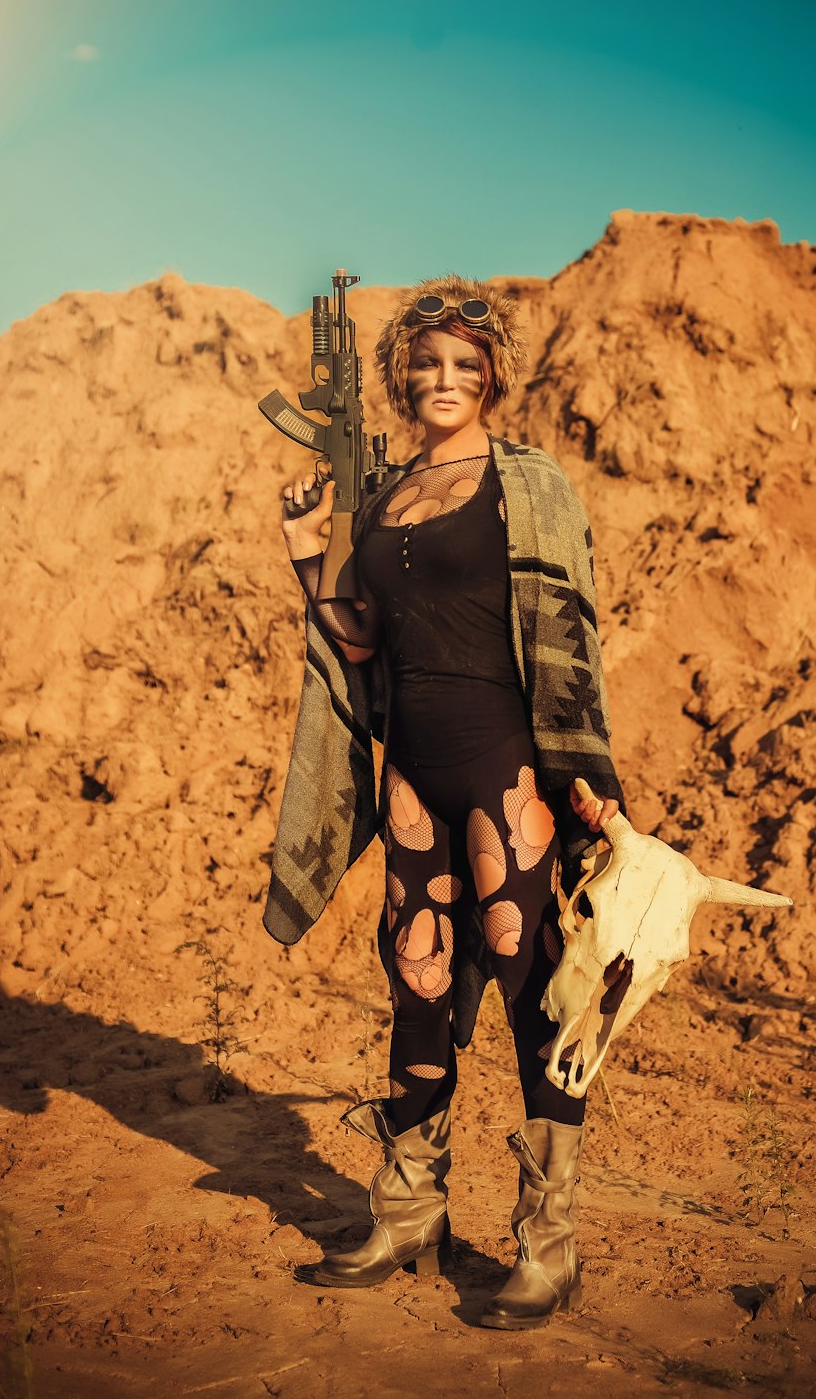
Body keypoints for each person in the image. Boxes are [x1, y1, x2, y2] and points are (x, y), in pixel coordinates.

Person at [265, 274, 623, 1329]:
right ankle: (408, 1211)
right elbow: (362, 643)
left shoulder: (530, 484)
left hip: (505, 762)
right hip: (412, 768)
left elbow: (569, 638)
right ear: (400, 375)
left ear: (493, 376)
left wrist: (589, 784)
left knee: (531, 988)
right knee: (416, 980)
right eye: (425, 363)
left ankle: (548, 1246)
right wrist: (303, 550)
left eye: (466, 364)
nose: (443, 379)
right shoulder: (381, 498)